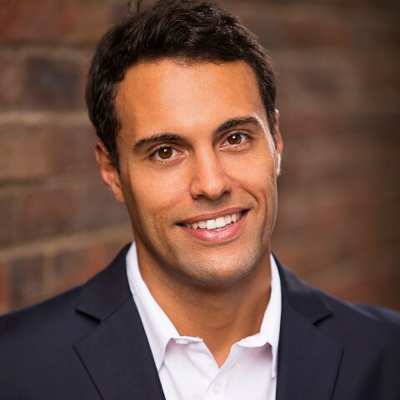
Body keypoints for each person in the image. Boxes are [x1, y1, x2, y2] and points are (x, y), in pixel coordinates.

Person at [0, 0, 399, 399]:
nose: (211, 184)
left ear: (276, 139)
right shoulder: (14, 366)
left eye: (235, 138)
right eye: (165, 152)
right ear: (111, 170)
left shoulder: (388, 353)